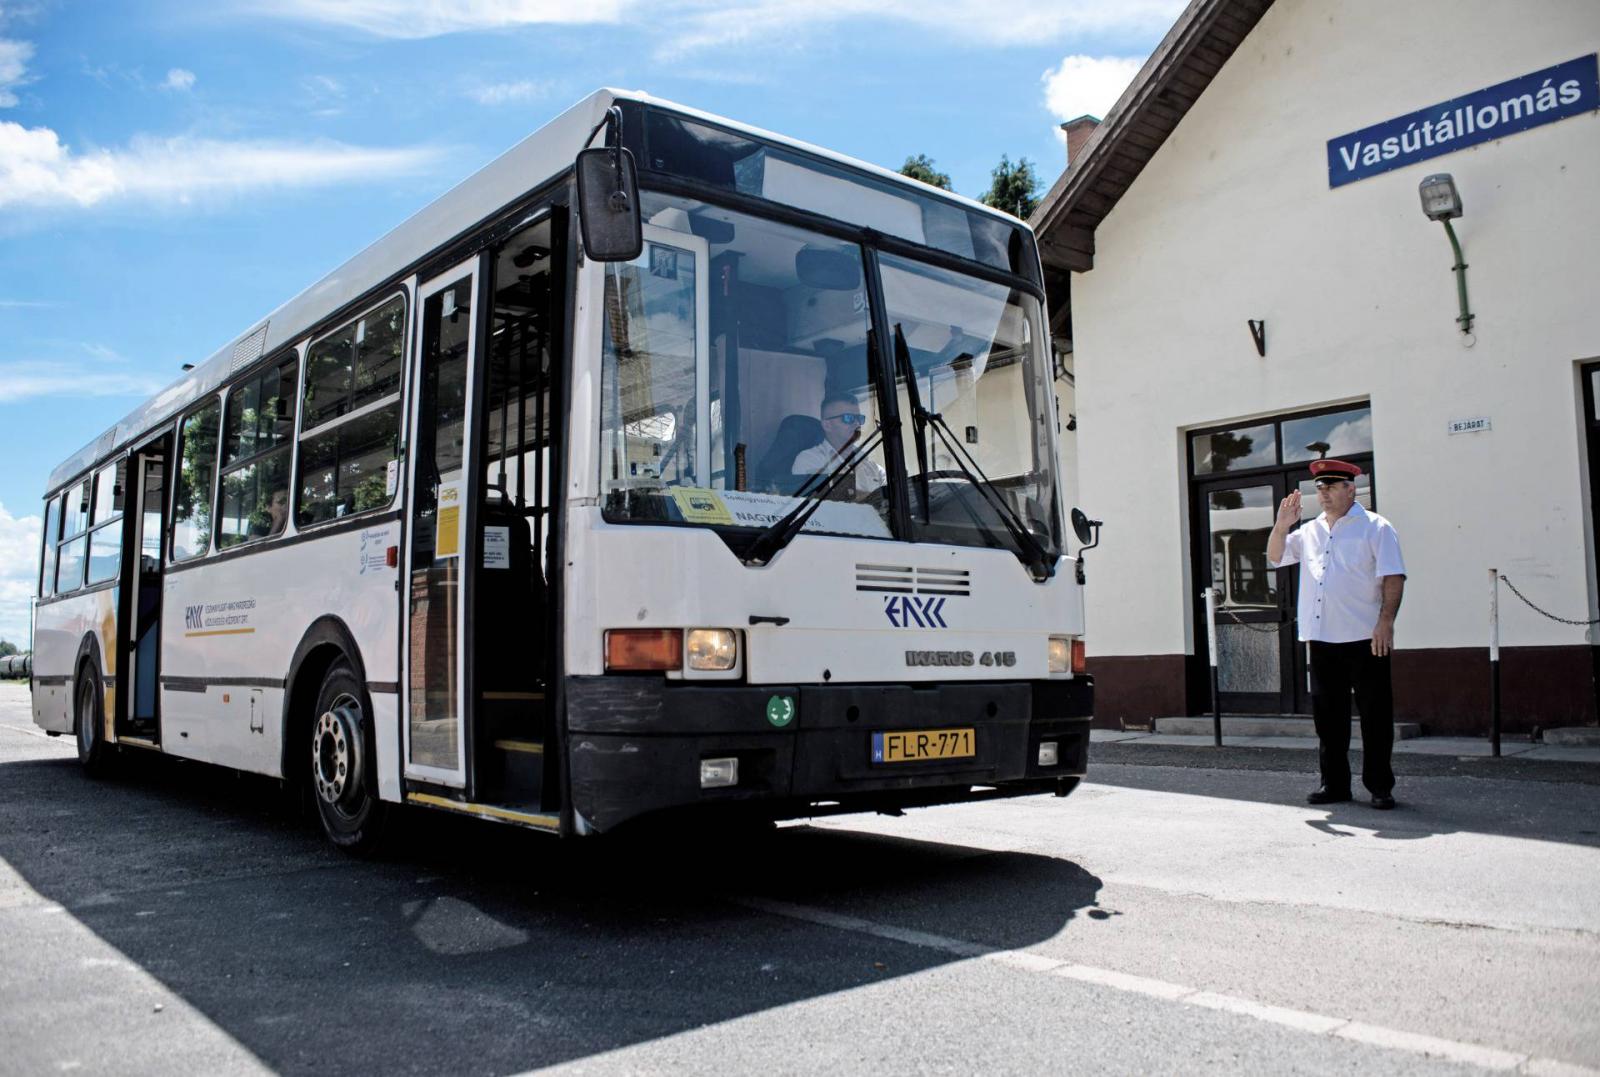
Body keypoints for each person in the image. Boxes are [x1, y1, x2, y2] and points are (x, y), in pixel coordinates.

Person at [1267, 458, 1407, 810]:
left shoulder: (1376, 527)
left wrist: (1386, 621)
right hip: (1323, 639)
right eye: (1320, 488)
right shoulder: (1311, 530)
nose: (1324, 494)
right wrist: (1282, 525)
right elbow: (1274, 556)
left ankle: (1379, 785)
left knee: (1375, 717)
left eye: (1330, 487)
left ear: (1350, 488)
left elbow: (1393, 576)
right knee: (1329, 720)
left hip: (1366, 638)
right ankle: (1335, 785)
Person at [791, 391, 885, 500]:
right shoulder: (809, 460)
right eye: (848, 418)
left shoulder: (873, 468)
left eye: (859, 418)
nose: (857, 423)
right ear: (827, 425)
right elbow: (819, 505)